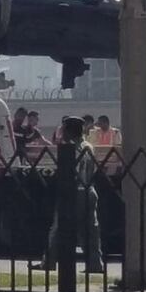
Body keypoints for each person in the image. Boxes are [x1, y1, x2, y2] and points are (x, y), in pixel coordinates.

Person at [34, 116, 104, 273]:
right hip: (89, 190)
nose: (62, 132)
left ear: (69, 130)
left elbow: (72, 172)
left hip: (74, 192)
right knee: (91, 230)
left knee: (58, 228)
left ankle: (49, 261)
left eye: (64, 129)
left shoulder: (71, 148)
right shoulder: (88, 146)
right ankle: (95, 264)